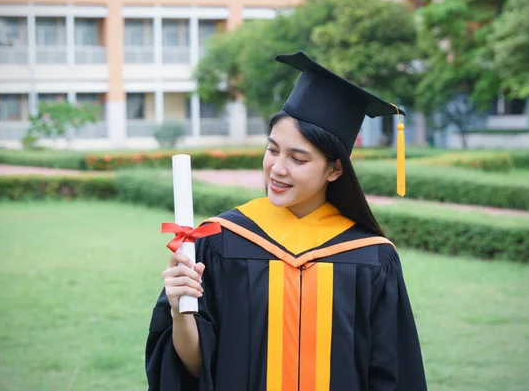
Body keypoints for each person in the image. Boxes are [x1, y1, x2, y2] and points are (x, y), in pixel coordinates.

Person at [145, 50, 427, 391]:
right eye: (272, 149)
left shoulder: (371, 257)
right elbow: (194, 368)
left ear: (335, 169)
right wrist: (180, 311)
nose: (278, 168)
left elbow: (391, 373)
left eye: (298, 158)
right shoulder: (219, 242)